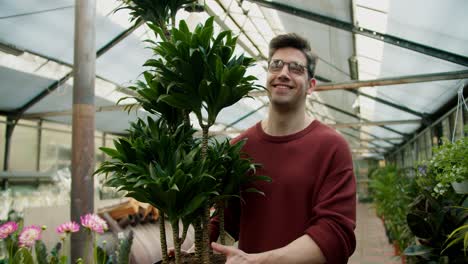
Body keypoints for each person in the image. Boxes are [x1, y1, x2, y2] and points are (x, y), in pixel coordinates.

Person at [209, 33, 357, 264]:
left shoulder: (332, 147)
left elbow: (335, 233)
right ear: (267, 75)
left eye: (296, 68)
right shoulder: (237, 148)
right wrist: (188, 249)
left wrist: (258, 262)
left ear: (311, 85)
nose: (284, 73)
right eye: (276, 65)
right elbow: (224, 222)